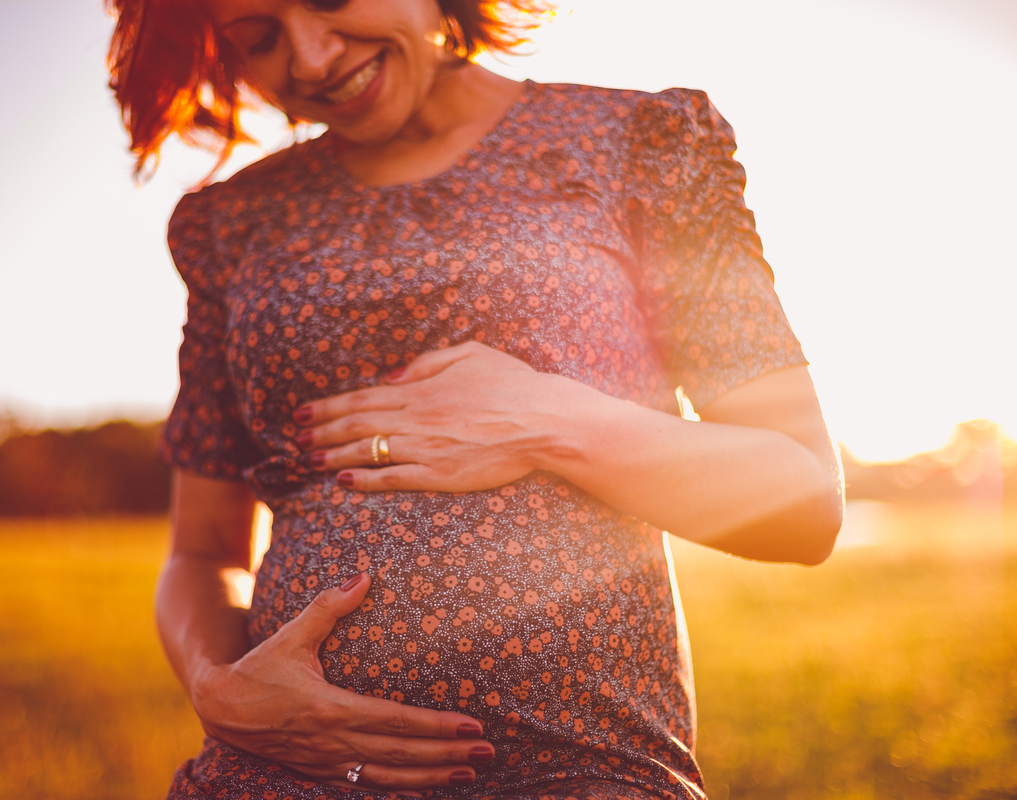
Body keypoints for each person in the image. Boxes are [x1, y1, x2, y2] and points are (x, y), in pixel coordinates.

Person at [106, 0, 844, 797]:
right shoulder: (229, 225)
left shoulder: (639, 144)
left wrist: (547, 423)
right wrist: (219, 687)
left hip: (579, 769)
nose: (313, 58)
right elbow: (203, 552)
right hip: (279, 773)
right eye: (259, 37)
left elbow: (802, 499)